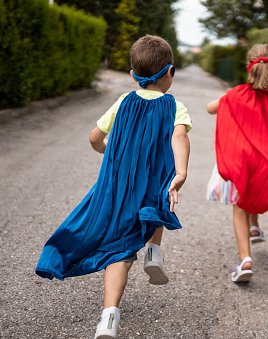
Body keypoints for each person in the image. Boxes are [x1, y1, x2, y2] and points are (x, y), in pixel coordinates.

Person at [35, 35, 191, 339]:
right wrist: (181, 172)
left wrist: (109, 150)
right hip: (154, 182)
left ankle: (109, 318)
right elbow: (180, 137)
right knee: (156, 205)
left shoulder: (123, 101)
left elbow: (94, 137)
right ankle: (154, 252)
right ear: (171, 71)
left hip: (118, 186)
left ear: (133, 76)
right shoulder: (175, 106)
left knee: (118, 249)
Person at [206, 44, 268, 283]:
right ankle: (255, 228)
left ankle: (245, 260)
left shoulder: (235, 96)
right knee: (256, 189)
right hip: (266, 164)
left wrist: (229, 100)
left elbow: (211, 109)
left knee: (240, 206)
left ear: (249, 66)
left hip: (240, 162)